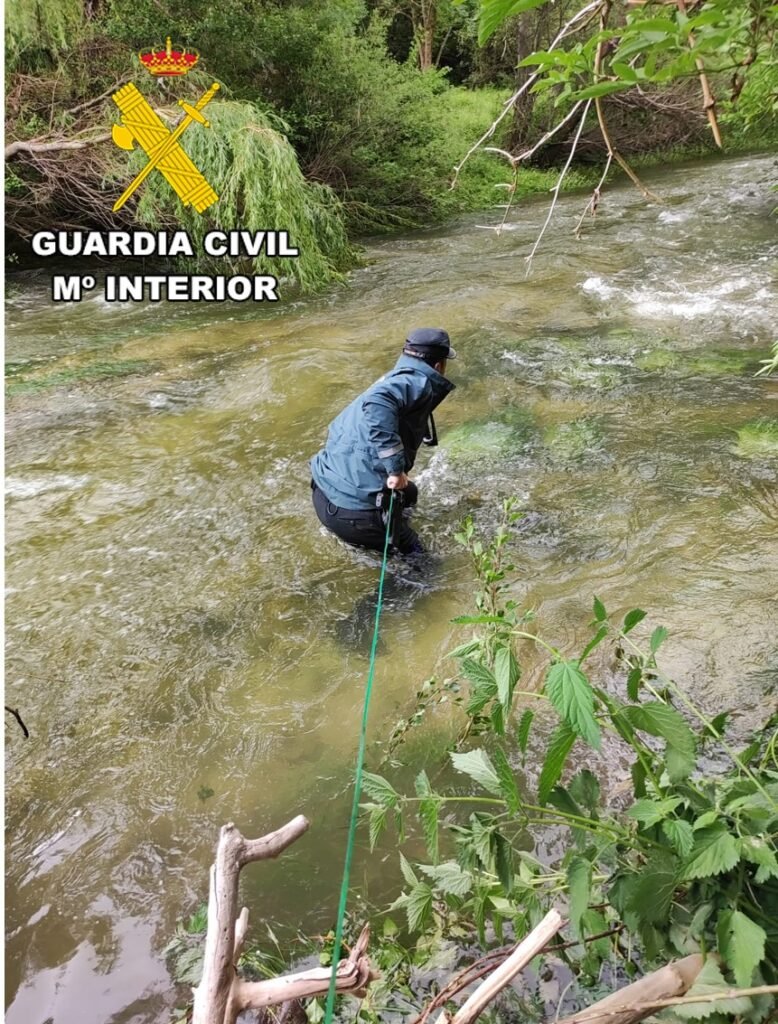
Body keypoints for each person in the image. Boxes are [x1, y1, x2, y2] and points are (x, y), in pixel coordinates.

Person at [310, 328, 456, 555]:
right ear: (439, 366)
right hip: (355, 516)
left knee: (410, 493)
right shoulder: (415, 383)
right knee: (426, 568)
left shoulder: (394, 378)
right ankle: (390, 547)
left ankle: (392, 525)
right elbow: (379, 402)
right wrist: (396, 470)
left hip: (322, 495)